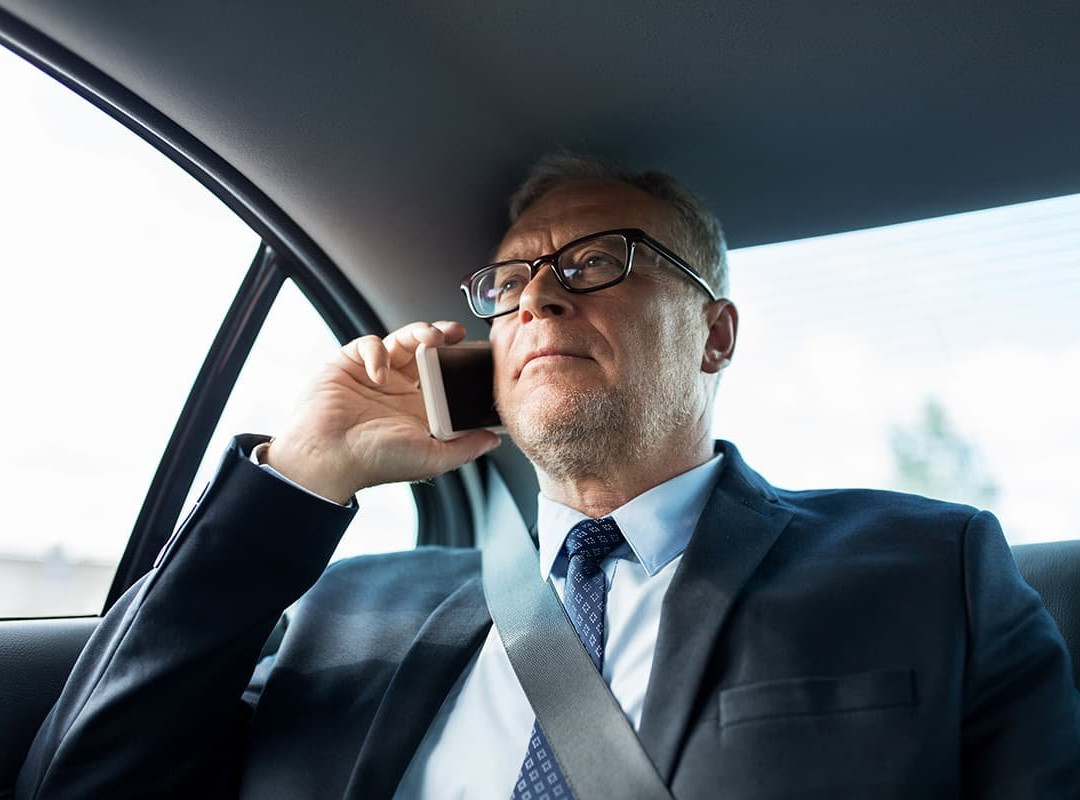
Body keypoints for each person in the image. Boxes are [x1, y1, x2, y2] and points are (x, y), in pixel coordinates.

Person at [17, 154, 1080, 799]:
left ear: (716, 334)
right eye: (511, 280)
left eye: (596, 262)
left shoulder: (930, 565)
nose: (537, 299)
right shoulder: (347, 608)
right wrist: (300, 473)